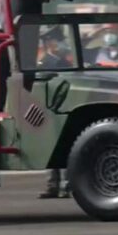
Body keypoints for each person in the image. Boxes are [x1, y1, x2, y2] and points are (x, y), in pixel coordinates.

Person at [36, 25, 72, 199]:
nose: (59, 43)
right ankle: (52, 185)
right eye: (55, 40)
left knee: (64, 147)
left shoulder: (64, 61)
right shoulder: (45, 62)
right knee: (51, 149)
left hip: (63, 108)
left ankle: (66, 185)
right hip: (49, 107)